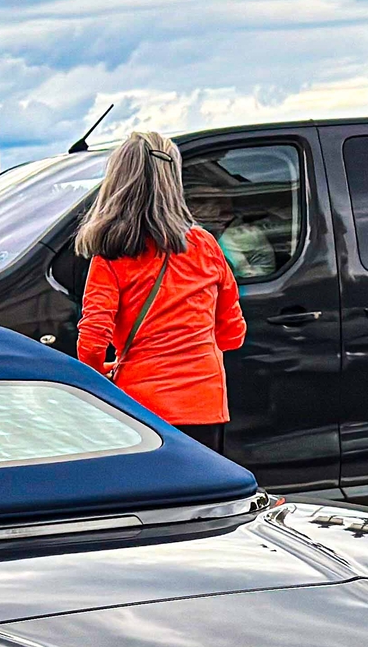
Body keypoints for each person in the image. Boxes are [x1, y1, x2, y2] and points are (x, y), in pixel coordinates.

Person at [71, 130, 245, 447]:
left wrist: (105, 374)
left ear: (117, 184)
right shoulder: (205, 245)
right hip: (205, 405)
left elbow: (93, 341)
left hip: (140, 409)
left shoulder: (111, 255)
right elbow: (232, 335)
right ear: (172, 181)